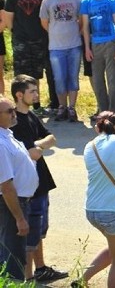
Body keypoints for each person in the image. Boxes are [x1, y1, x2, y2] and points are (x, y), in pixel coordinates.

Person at [10, 75, 67, 282]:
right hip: (27, 187)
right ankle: (27, 279)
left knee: (39, 230)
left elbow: (51, 138)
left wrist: (39, 145)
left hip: (41, 183)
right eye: (32, 91)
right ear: (19, 94)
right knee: (29, 233)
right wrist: (38, 146)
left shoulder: (32, 115)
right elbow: (30, 153)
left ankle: (40, 268)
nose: (37, 94)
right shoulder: (13, 121)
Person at [75, 111, 115, 288]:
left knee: (114, 250)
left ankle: (81, 280)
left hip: (92, 210)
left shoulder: (89, 146)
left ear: (97, 128)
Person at [0, 96, 39, 281]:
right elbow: (6, 186)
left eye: (14, 109)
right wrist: (19, 218)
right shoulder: (0, 144)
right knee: (13, 260)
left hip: (18, 202)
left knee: (13, 255)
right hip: (11, 205)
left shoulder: (7, 133)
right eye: (9, 111)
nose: (14, 114)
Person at [39, 0, 84, 122]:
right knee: (59, 78)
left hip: (74, 45)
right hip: (56, 47)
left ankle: (72, 107)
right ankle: (62, 106)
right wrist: (56, 32)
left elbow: (81, 20)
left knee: (73, 77)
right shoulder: (48, 0)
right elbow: (44, 22)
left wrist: (73, 31)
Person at [4, 0, 49, 112]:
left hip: (38, 39)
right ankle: (20, 105)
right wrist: (18, 35)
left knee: (36, 74)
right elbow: (8, 20)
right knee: (21, 75)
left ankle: (36, 104)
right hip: (21, 41)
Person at [81, 0, 115, 115]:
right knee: (98, 80)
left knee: (113, 80)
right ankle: (103, 110)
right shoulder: (86, 2)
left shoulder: (111, 0)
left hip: (110, 41)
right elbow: (85, 26)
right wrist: (87, 48)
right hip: (95, 44)